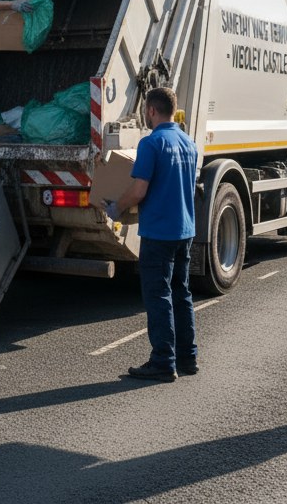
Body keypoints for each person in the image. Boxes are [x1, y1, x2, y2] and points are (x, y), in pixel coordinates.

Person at [101, 86, 200, 382]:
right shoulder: (189, 143)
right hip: (185, 230)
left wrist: (116, 208)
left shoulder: (151, 143)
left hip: (159, 232)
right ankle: (187, 358)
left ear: (151, 110)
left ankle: (162, 362)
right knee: (181, 293)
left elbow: (139, 190)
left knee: (158, 296)